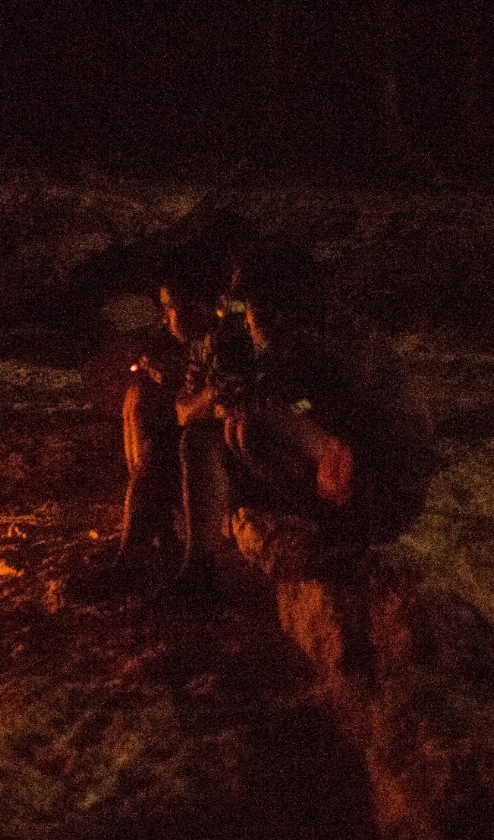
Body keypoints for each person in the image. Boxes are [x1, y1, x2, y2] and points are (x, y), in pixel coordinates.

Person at [182, 244, 440, 587]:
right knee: (234, 428)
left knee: (251, 425)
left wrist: (281, 406)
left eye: (249, 314)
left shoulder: (336, 342)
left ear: (273, 310)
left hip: (382, 486)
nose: (245, 324)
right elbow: (305, 403)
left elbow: (341, 411)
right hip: (350, 473)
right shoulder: (295, 342)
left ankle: (343, 530)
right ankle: (197, 569)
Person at [96, 240, 239, 592]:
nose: (165, 316)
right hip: (221, 432)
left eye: (169, 307)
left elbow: (294, 401)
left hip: (245, 446)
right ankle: (135, 555)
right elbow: (188, 403)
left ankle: (179, 558)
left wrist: (202, 401)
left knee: (181, 439)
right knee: (145, 415)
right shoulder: (201, 345)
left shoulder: (230, 340)